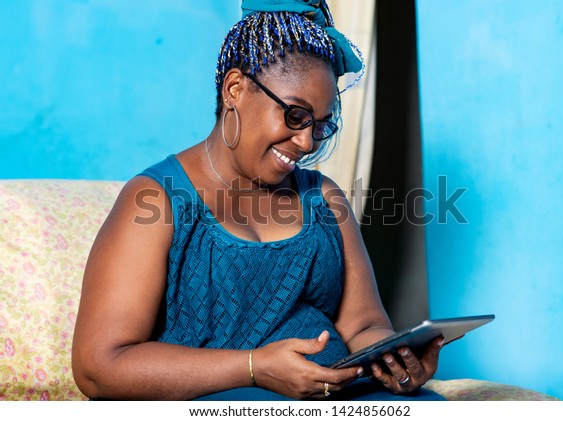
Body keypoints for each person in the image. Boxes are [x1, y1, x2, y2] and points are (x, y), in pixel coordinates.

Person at [71, 0, 445, 401]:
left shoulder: (325, 199)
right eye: (295, 116)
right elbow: (99, 366)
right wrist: (255, 368)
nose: (306, 142)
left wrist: (395, 358)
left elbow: (363, 326)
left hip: (337, 397)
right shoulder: (156, 200)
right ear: (235, 89)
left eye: (321, 125)